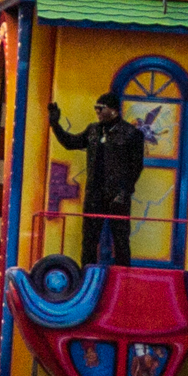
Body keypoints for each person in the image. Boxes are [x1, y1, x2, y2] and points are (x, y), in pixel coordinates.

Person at [48, 90, 148, 268]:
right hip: (94, 193)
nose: (98, 112)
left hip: (117, 194)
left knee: (121, 239)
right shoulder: (93, 130)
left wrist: (125, 192)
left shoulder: (131, 133)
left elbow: (136, 167)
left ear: (114, 110)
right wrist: (55, 124)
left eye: (101, 108)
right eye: (96, 108)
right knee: (89, 240)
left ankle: (122, 279)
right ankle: (88, 278)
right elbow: (71, 143)